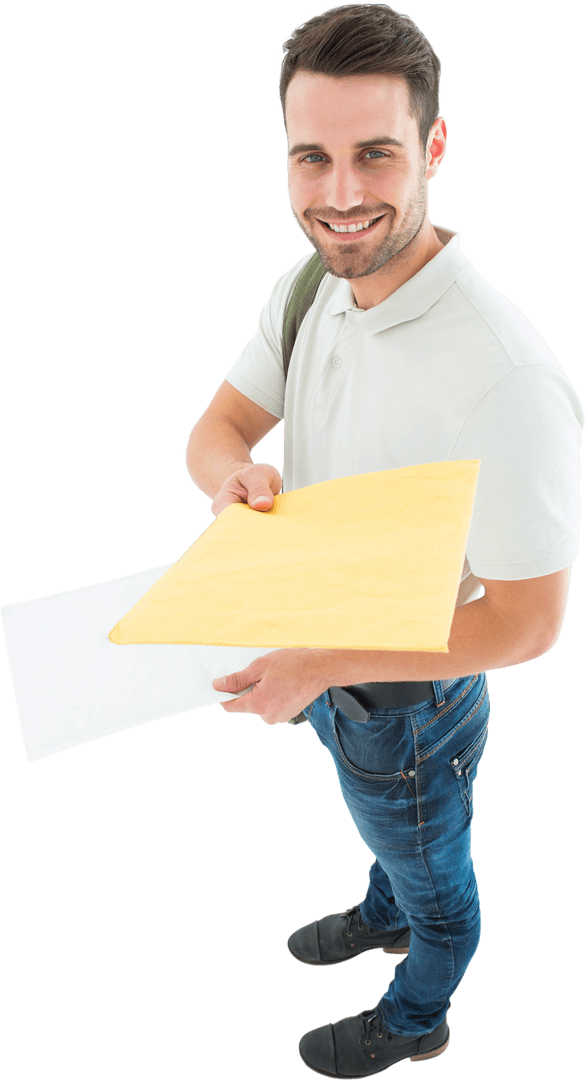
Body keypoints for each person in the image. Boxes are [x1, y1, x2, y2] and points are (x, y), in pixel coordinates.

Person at [184, 4, 583, 1076]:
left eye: (376, 154)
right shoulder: (311, 285)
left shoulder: (505, 380)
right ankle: (385, 907)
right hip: (321, 665)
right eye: (311, 157)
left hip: (408, 699)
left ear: (433, 148)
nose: (341, 194)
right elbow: (216, 428)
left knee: (437, 875)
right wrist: (231, 478)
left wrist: (323, 665)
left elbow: (530, 623)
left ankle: (418, 1014)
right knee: (392, 832)